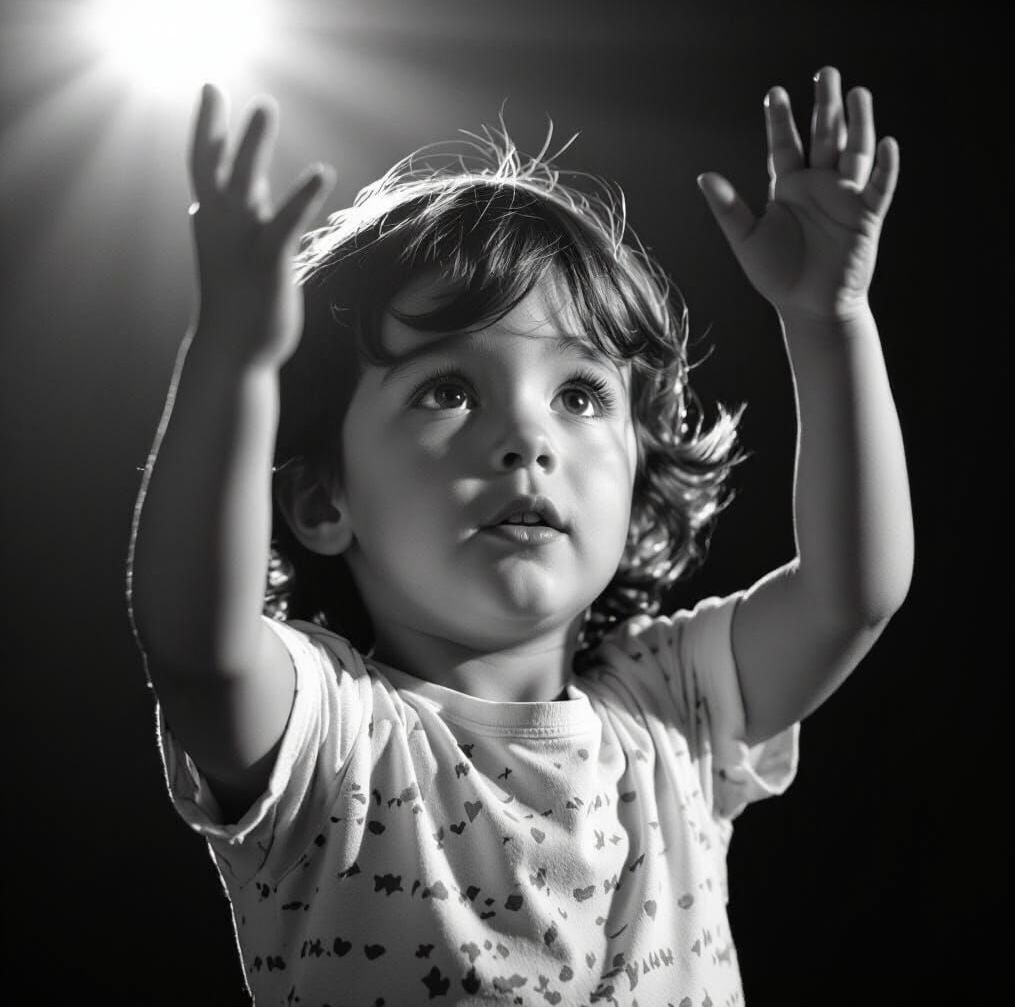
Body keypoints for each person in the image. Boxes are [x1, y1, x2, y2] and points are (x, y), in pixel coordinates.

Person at [128, 65, 914, 1005]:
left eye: (580, 395)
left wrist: (830, 323)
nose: (528, 440)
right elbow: (192, 648)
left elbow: (851, 593)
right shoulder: (334, 740)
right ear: (321, 502)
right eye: (448, 392)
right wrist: (229, 358)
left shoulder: (673, 712)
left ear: (636, 469)